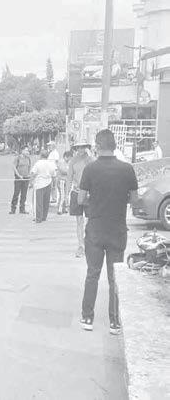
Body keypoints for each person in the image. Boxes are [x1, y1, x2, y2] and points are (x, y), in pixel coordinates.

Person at [78, 129, 138, 335]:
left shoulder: (90, 169)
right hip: (117, 231)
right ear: (114, 146)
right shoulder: (127, 169)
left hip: (95, 230)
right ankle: (114, 322)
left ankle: (87, 317)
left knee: (92, 274)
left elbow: (80, 199)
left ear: (97, 146)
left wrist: (94, 201)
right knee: (114, 278)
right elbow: (135, 200)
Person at [30, 150, 56, 224]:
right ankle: (44, 217)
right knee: (46, 201)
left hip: (39, 184)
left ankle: (38, 218)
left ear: (41, 155)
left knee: (38, 202)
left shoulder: (38, 163)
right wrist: (54, 185)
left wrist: (31, 182)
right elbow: (54, 175)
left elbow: (33, 173)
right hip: (48, 183)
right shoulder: (51, 163)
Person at [10, 146, 31, 214]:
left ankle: (22, 209)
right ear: (22, 151)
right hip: (18, 178)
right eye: (26, 150)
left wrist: (28, 175)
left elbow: (29, 167)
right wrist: (19, 175)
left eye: (28, 151)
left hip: (26, 178)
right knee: (16, 193)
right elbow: (14, 167)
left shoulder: (28, 158)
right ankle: (13, 209)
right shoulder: (18, 158)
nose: (27, 152)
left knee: (24, 194)